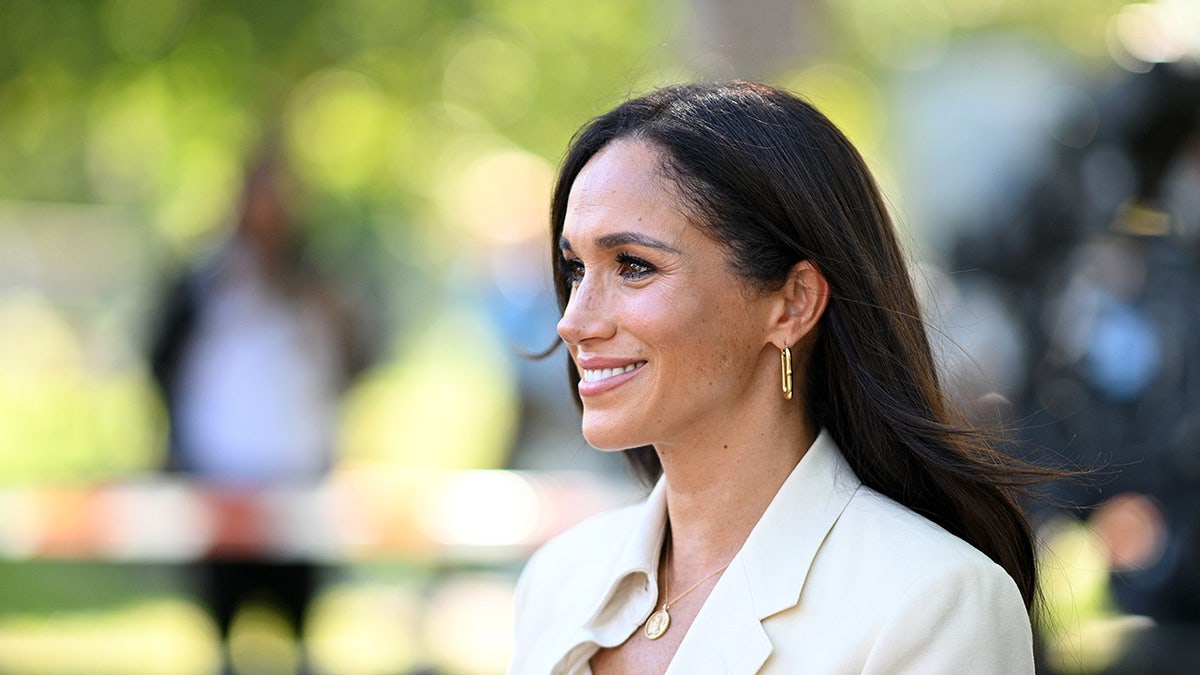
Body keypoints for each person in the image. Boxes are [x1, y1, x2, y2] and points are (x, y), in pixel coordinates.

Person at [509, 82, 1052, 674]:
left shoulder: (934, 601)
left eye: (634, 266)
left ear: (793, 303)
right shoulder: (558, 579)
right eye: (575, 268)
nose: (572, 321)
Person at [149, 152, 371, 672]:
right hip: (219, 469)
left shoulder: (321, 281)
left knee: (299, 618)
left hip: (299, 468)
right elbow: (161, 361)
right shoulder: (204, 279)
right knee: (223, 616)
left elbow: (361, 356)